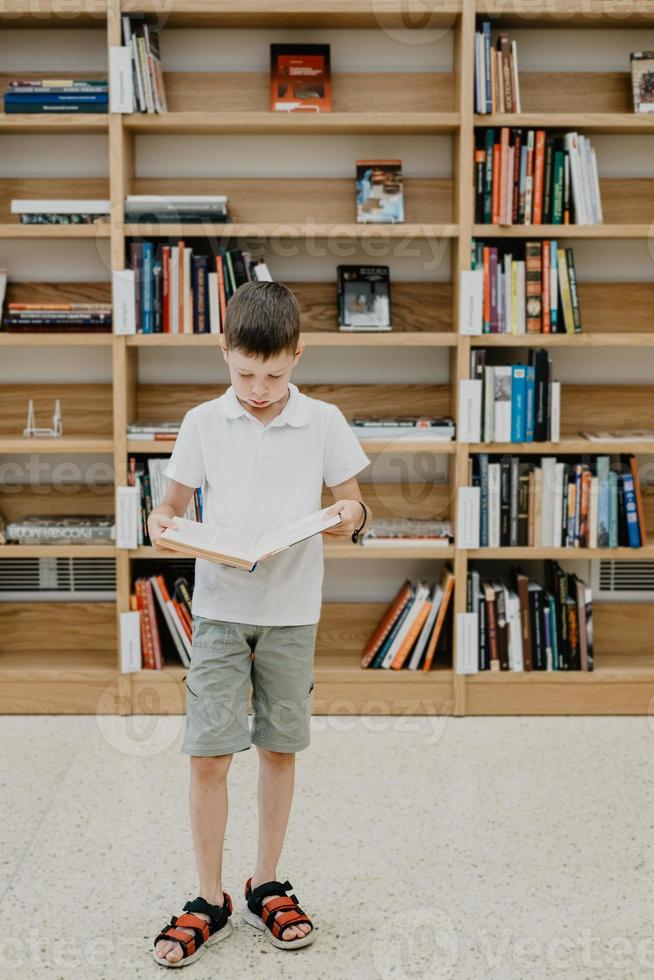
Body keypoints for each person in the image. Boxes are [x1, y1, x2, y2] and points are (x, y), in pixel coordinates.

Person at [148, 280, 371, 967]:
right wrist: (163, 526)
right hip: (219, 609)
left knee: (279, 748)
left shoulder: (325, 421)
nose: (259, 387)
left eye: (274, 373)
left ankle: (265, 881)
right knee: (209, 752)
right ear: (224, 351)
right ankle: (208, 897)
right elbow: (172, 508)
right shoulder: (202, 423)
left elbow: (355, 504)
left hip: (291, 613)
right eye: (245, 372)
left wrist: (347, 517)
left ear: (298, 355)